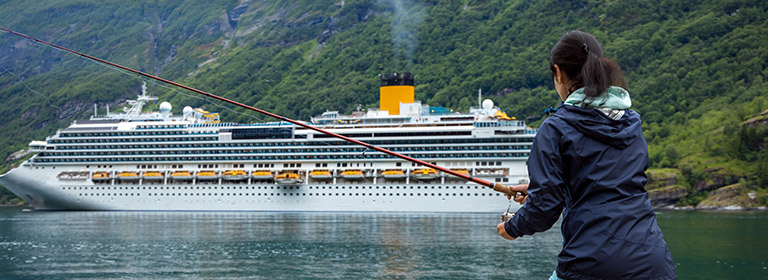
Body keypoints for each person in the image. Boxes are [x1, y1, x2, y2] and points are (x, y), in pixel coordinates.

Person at [496, 30, 676, 280]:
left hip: (592, 263)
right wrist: (549, 189)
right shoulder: (631, 122)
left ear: (558, 73)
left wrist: (512, 228)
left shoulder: (555, 128)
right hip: (653, 262)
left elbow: (544, 209)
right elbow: (609, 185)